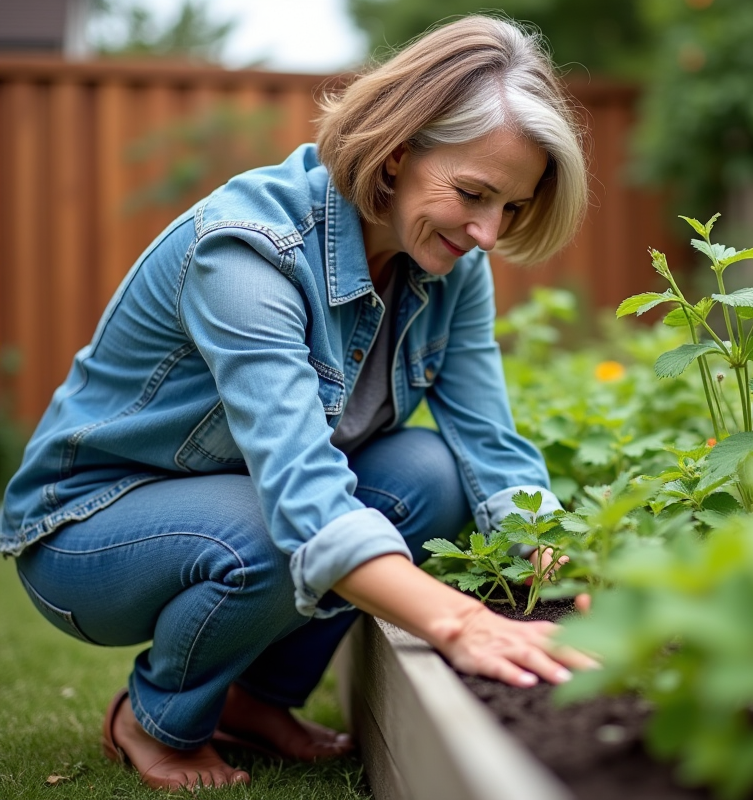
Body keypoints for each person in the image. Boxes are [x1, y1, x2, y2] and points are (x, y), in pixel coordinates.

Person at [0, 15, 593, 792]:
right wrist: (462, 623)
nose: (487, 233)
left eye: (510, 209)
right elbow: (302, 492)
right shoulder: (246, 253)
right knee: (279, 533)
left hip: (250, 506)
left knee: (433, 473)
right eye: (474, 193)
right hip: (86, 527)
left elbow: (489, 445)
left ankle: (256, 701)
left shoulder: (449, 264)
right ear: (396, 151)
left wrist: (565, 580)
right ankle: (153, 723)